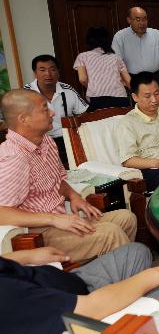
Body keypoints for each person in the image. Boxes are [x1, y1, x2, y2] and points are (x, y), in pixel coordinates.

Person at [0, 90, 136, 261]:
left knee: (126, 218)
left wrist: (74, 196)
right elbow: (2, 212)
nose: (52, 112)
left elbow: (57, 181)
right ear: (23, 119)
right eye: (44, 109)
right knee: (110, 234)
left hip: (62, 220)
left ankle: (107, 273)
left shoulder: (46, 141)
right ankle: (130, 283)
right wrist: (54, 219)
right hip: (39, 233)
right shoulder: (13, 157)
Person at [0, 242, 159, 334]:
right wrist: (157, 274)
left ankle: (135, 290)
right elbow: (90, 309)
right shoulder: (7, 298)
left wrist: (26, 256)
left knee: (137, 251)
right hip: (93, 310)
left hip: (74, 281)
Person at [24, 55, 88, 168]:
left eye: (52, 69)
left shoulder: (68, 90)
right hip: (40, 140)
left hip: (68, 138)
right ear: (35, 73)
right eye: (42, 70)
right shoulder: (26, 93)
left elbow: (83, 114)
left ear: (58, 72)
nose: (48, 74)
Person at [73, 26, 131, 111]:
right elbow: (129, 82)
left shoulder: (82, 57)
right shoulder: (116, 57)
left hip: (97, 98)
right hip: (120, 98)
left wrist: (93, 85)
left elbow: (83, 79)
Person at [111, 7, 159, 76]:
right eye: (138, 19)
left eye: (144, 19)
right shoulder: (120, 36)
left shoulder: (156, 34)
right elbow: (117, 62)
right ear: (129, 20)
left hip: (156, 76)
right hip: (132, 78)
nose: (142, 23)